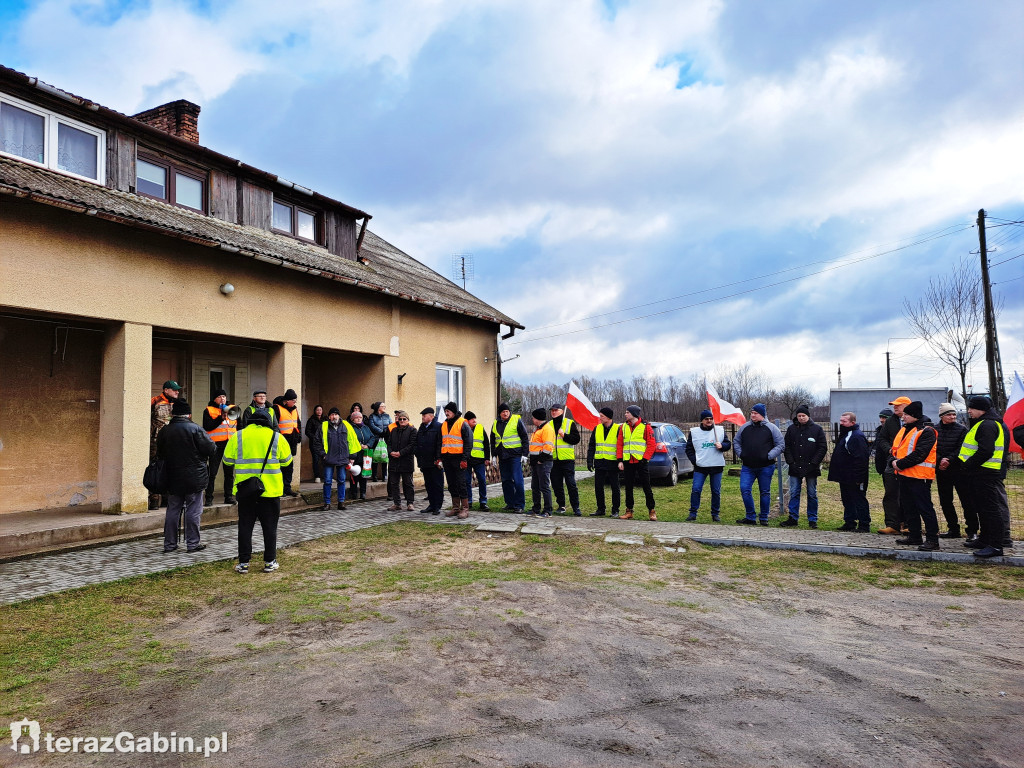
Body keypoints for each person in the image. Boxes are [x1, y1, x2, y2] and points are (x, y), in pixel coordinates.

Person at [222, 409, 292, 574]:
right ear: (268, 422)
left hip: (246, 492)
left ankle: (244, 563)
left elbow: (227, 460)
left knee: (245, 527)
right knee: (270, 528)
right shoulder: (277, 437)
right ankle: (269, 561)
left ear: (250, 421)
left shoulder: (238, 436)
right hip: (270, 491)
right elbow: (287, 461)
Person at [157, 399, 216, 553]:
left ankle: (169, 544)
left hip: (172, 476)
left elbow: (160, 453)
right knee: (193, 510)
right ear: (189, 414)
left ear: (173, 414)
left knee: (173, 509)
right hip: (194, 477)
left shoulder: (165, 431)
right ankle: (192, 543)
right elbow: (211, 449)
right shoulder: (195, 429)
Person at [960, 396, 1012, 558]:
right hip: (980, 473)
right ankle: (985, 539)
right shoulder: (984, 423)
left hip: (985, 473)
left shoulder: (988, 425)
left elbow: (986, 450)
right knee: (982, 509)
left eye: (972, 408)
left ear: (981, 409)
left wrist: (968, 464)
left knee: (991, 510)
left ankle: (996, 545)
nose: (969, 411)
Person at [891, 401, 940, 551]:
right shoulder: (906, 429)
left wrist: (899, 464)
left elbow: (920, 454)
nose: (903, 417)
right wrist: (893, 461)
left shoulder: (927, 431)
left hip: (920, 476)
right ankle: (915, 536)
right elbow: (896, 450)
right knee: (909, 507)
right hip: (905, 475)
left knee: (924, 508)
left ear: (914, 416)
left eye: (906, 414)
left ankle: (932, 540)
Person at [734, 404, 784, 526]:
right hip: (748, 467)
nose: (752, 415)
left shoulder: (772, 428)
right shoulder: (744, 427)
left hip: (766, 467)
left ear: (762, 414)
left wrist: (769, 455)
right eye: (751, 413)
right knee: (745, 489)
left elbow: (780, 445)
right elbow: (736, 441)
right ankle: (750, 516)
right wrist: (742, 454)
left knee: (765, 492)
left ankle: (764, 517)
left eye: (755, 413)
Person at [781, 404, 827, 528]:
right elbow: (787, 447)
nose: (801, 418)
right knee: (794, 492)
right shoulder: (792, 429)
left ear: (808, 416)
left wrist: (813, 463)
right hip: (795, 466)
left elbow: (822, 448)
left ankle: (812, 519)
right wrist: (791, 462)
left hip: (811, 467)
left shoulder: (817, 429)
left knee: (812, 493)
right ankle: (793, 517)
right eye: (799, 416)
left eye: (803, 416)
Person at [683, 409, 730, 522]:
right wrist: (695, 461)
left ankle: (715, 514)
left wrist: (722, 446)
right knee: (696, 489)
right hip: (700, 467)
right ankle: (693, 513)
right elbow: (689, 448)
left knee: (715, 491)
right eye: (706, 419)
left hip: (717, 466)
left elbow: (728, 444)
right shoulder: (694, 432)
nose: (709, 421)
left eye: (711, 419)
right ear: (702, 420)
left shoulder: (719, 430)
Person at [935, 403, 973, 539]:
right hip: (942, 471)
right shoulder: (935, 429)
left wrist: (949, 459)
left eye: (954, 414)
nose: (952, 417)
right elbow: (933, 448)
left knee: (966, 500)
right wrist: (940, 460)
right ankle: (953, 528)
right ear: (942, 416)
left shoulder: (962, 430)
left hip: (959, 470)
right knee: (945, 501)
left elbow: (962, 448)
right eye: (949, 414)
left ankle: (972, 530)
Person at [828, 412, 870, 532]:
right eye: (840, 421)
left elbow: (861, 458)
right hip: (845, 476)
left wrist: (859, 478)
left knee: (859, 499)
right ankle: (849, 522)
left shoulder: (856, 436)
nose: (841, 423)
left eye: (844, 421)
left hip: (855, 476)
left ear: (852, 422)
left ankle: (864, 524)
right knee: (847, 499)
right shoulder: (845, 434)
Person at [312, 407, 359, 511]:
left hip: (343, 458)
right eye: (332, 415)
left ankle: (341, 502)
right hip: (328, 459)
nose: (334, 416)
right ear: (329, 416)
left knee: (342, 480)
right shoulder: (323, 426)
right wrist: (323, 454)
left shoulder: (346, 425)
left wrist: (352, 456)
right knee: (328, 481)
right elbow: (316, 442)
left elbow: (353, 441)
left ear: (339, 416)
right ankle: (327, 503)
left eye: (335, 414)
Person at [617, 404, 657, 521]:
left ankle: (652, 511)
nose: (625, 414)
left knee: (646, 487)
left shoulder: (646, 427)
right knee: (628, 487)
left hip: (641, 462)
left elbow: (651, 444)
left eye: (627, 412)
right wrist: (620, 460)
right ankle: (629, 511)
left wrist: (645, 459)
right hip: (628, 461)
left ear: (634, 414)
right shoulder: (623, 427)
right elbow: (620, 444)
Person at [875, 398, 908, 534]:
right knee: (890, 494)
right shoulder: (891, 421)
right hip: (891, 462)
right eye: (894, 406)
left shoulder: (919, 421)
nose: (895, 408)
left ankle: (908, 524)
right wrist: (889, 449)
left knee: (908, 494)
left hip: (910, 463)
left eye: (898, 406)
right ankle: (892, 525)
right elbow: (881, 439)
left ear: (907, 406)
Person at [202, 388, 236, 505]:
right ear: (214, 399)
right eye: (219, 397)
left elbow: (238, 426)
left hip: (229, 445)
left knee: (229, 474)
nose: (222, 399)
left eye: (224, 396)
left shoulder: (232, 409)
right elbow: (208, 427)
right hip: (215, 446)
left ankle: (228, 496)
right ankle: (209, 498)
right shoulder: (209, 410)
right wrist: (219, 418)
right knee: (212, 473)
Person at [149, 379, 179, 509]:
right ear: (166, 390)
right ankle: (154, 500)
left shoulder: (178, 404)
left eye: (178, 390)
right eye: (174, 390)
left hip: (172, 442)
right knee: (156, 469)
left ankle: (167, 499)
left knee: (170, 469)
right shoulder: (155, 401)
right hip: (156, 441)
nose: (177, 392)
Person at [491, 402, 527, 513]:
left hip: (515, 455)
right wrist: (493, 455)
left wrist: (525, 454)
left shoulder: (517, 420)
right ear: (500, 413)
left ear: (510, 412)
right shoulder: (495, 423)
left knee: (517, 480)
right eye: (503, 412)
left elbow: (524, 437)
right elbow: (493, 440)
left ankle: (519, 505)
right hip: (502, 456)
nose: (505, 413)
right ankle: (510, 503)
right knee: (506, 480)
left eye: (507, 411)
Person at [440, 402, 473, 519]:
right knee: (451, 484)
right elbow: (441, 442)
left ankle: (465, 509)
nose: (446, 413)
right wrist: (440, 458)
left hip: (459, 458)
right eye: (445, 411)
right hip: (447, 458)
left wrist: (465, 459)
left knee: (461, 483)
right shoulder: (444, 424)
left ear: (454, 411)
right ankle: (455, 508)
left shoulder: (462, 423)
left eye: (448, 411)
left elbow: (468, 442)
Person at [587, 407, 622, 518]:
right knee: (598, 486)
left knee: (615, 487)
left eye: (601, 416)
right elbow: (591, 446)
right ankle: (600, 509)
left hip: (612, 462)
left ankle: (615, 510)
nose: (600, 418)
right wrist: (589, 460)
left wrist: (620, 461)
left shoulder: (618, 429)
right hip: (600, 462)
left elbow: (621, 446)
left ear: (608, 417)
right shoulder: (597, 429)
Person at [548, 404, 582, 516]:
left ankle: (576, 507)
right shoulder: (548, 425)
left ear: (562, 411)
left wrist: (564, 435)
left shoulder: (569, 423)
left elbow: (576, 439)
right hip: (553, 459)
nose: (553, 412)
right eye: (552, 411)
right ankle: (561, 505)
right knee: (556, 484)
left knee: (571, 484)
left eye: (555, 410)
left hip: (567, 459)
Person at [414, 407, 445, 515]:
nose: (422, 417)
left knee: (437, 484)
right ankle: (431, 505)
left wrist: (438, 458)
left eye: (424, 415)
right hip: (424, 461)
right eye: (422, 415)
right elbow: (418, 442)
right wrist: (417, 453)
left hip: (435, 462)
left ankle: (437, 506)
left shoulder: (438, 426)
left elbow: (439, 444)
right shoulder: (422, 427)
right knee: (429, 484)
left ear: (431, 416)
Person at [385, 410, 417, 511]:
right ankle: (397, 503)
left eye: (404, 419)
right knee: (394, 483)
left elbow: (412, 445)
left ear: (408, 420)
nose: (402, 420)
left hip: (406, 460)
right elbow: (389, 443)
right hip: (394, 461)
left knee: (408, 483)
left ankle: (410, 503)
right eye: (400, 419)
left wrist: (400, 453)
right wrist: (390, 452)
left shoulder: (412, 430)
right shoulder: (394, 430)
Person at [274, 389, 302, 497]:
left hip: (292, 441)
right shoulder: (277, 408)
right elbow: (274, 425)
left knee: (289, 466)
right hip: (281, 441)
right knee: (280, 466)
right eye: (293, 400)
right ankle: (280, 488)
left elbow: (298, 423)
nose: (295, 402)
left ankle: (287, 487)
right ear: (287, 400)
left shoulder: (294, 410)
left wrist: (298, 436)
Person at [528, 408, 555, 517]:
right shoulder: (539, 429)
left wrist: (541, 460)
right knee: (535, 486)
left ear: (538, 418)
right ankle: (536, 508)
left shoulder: (547, 429)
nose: (532, 419)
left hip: (543, 462)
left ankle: (548, 510)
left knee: (544, 486)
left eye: (533, 417)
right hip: (536, 462)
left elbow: (548, 447)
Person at [463, 411, 491, 510]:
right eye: (472, 419)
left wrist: (487, 458)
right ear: (467, 421)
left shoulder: (480, 428)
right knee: (467, 481)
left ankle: (483, 502)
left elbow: (486, 444)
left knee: (482, 480)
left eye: (475, 418)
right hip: (466, 459)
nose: (474, 420)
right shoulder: (463, 429)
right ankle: (469, 502)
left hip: (479, 460)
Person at [348, 409, 374, 501]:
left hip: (365, 455)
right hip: (355, 455)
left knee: (364, 474)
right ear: (352, 419)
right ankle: (353, 493)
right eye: (356, 418)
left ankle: (363, 492)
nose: (359, 419)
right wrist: (358, 445)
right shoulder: (350, 428)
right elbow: (349, 440)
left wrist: (368, 445)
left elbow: (372, 437)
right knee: (354, 474)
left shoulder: (366, 428)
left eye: (360, 417)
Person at [367, 402, 393, 483]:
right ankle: (374, 476)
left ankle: (384, 475)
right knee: (375, 457)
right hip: (375, 438)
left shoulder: (387, 416)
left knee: (384, 456)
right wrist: (381, 431)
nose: (384, 407)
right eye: (382, 406)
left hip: (385, 438)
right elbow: (371, 425)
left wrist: (385, 432)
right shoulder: (372, 416)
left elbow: (390, 425)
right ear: (378, 407)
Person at [304, 405, 325, 483]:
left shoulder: (325, 420)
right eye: (317, 410)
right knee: (315, 459)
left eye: (320, 410)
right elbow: (307, 431)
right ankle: (317, 476)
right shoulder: (311, 420)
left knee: (325, 459)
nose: (319, 411)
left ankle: (327, 476)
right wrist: (315, 438)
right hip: (314, 443)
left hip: (324, 443)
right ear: (315, 411)